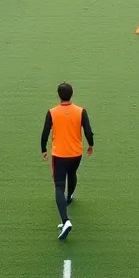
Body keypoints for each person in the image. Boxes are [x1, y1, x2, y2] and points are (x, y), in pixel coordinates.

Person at [41, 82, 94, 240]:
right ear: (72, 94)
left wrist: (43, 149)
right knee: (73, 173)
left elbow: (45, 133)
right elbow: (88, 131)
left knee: (58, 186)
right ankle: (70, 196)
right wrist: (91, 145)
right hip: (76, 153)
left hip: (59, 155)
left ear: (58, 95)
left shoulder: (52, 112)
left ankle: (65, 221)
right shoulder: (80, 111)